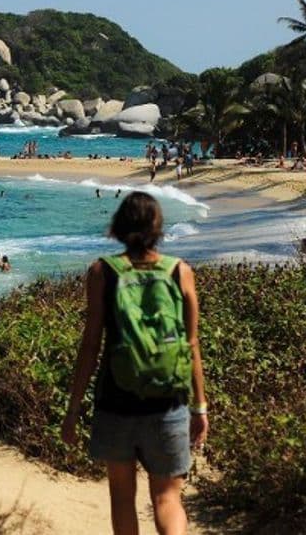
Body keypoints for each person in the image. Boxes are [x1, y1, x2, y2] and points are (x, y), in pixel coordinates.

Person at [61, 193, 208, 535]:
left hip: (115, 401)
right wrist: (200, 406)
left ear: (119, 226)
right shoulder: (179, 271)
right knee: (168, 499)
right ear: (158, 227)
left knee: (122, 497)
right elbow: (191, 343)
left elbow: (90, 345)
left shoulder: (102, 272)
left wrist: (73, 408)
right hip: (168, 400)